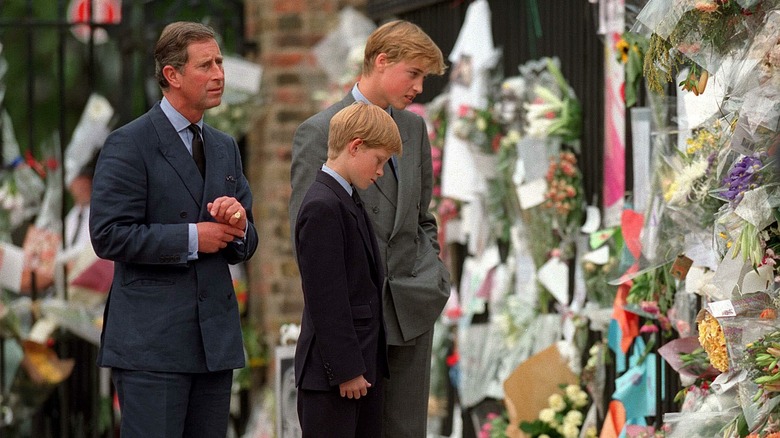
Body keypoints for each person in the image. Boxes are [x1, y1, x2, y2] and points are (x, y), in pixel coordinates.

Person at [89, 21, 258, 437]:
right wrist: (192, 238)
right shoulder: (129, 144)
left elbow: (246, 241)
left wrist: (239, 224)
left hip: (213, 345)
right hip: (152, 348)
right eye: (207, 65)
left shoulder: (224, 146)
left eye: (220, 62)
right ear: (172, 75)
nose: (219, 73)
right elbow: (108, 233)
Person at [289, 20, 451, 436]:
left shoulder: (413, 128)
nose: (419, 87)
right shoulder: (321, 131)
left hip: (412, 309)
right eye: (413, 73)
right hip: (358, 321)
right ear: (381, 62)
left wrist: (431, 272)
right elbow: (309, 237)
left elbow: (421, 215)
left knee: (406, 430)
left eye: (423, 77)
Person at [294, 102, 401, 437]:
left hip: (357, 371)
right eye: (379, 160)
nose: (381, 171)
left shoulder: (344, 198)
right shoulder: (322, 206)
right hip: (335, 378)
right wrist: (346, 369)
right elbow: (327, 299)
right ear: (355, 146)